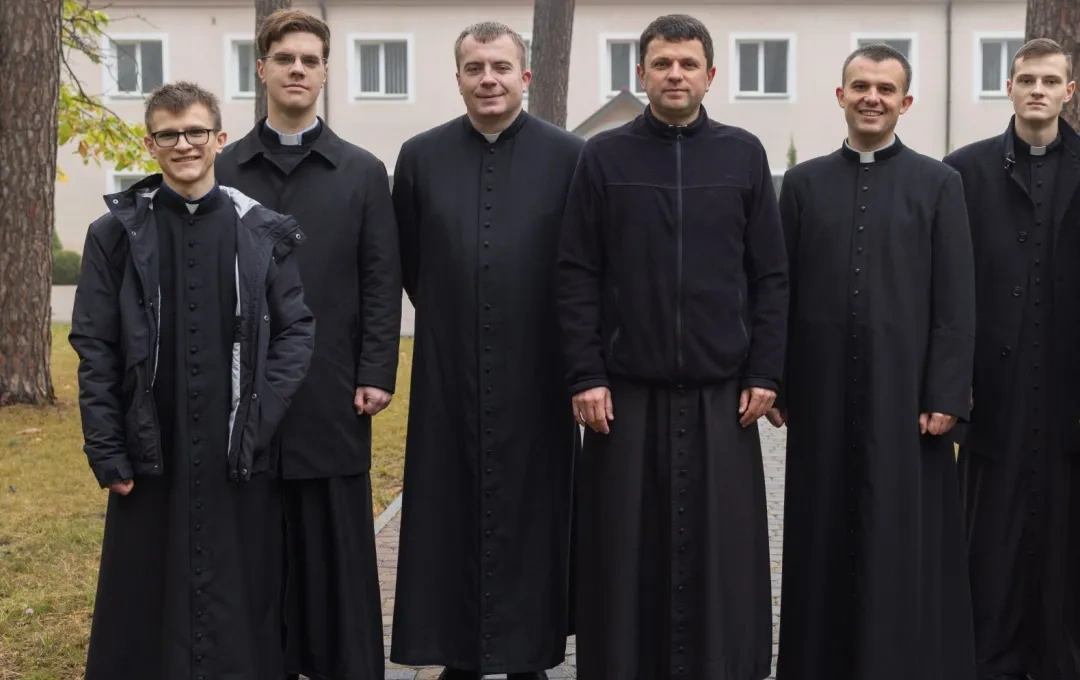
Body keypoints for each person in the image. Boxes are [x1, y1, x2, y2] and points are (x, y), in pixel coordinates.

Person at [556, 13, 787, 680]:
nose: (676, 75)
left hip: (723, 393)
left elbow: (769, 274)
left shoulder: (743, 155)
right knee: (622, 556)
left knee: (724, 556)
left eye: (688, 64)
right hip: (623, 394)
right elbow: (577, 272)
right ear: (642, 73)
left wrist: (767, 368)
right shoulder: (603, 157)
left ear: (711, 75)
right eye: (663, 64)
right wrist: (584, 374)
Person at [72, 81, 315, 679]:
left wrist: (258, 422)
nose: (184, 144)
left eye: (196, 132)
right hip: (151, 443)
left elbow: (296, 331)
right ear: (150, 143)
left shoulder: (260, 230)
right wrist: (107, 450)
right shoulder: (114, 234)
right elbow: (95, 347)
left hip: (235, 444)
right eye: (169, 134)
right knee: (145, 600)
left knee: (240, 597)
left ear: (219, 138)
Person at [772, 43, 977, 679]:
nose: (872, 98)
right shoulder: (803, 184)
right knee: (821, 532)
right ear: (839, 96)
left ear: (905, 102)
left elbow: (955, 297)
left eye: (886, 89)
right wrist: (775, 379)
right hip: (822, 393)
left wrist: (946, 392)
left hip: (907, 394)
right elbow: (780, 288)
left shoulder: (939, 183)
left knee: (901, 534)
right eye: (860, 86)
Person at [388, 21, 583, 680]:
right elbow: (410, 261)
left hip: (541, 371)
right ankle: (459, 657)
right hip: (449, 371)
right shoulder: (419, 156)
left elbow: (582, 261)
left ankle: (531, 656)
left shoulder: (570, 156)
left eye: (501, 67)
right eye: (475, 68)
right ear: (459, 78)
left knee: (535, 514)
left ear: (525, 77)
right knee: (449, 514)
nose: (489, 79)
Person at [214, 11, 401, 679]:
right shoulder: (222, 167)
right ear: (261, 69)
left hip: (332, 389)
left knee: (332, 547)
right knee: (252, 542)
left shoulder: (360, 171)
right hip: (242, 392)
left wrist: (377, 368)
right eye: (284, 58)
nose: (297, 69)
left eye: (310, 59)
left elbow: (382, 279)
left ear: (325, 73)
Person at [942, 38, 1080, 680]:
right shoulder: (962, 171)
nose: (1038, 90)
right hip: (993, 385)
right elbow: (948, 286)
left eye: (1051, 80)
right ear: (1010, 88)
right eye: (1027, 79)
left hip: (1077, 381)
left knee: (1075, 526)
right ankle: (988, 654)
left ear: (1070, 91)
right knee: (989, 529)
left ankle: (1066, 657)